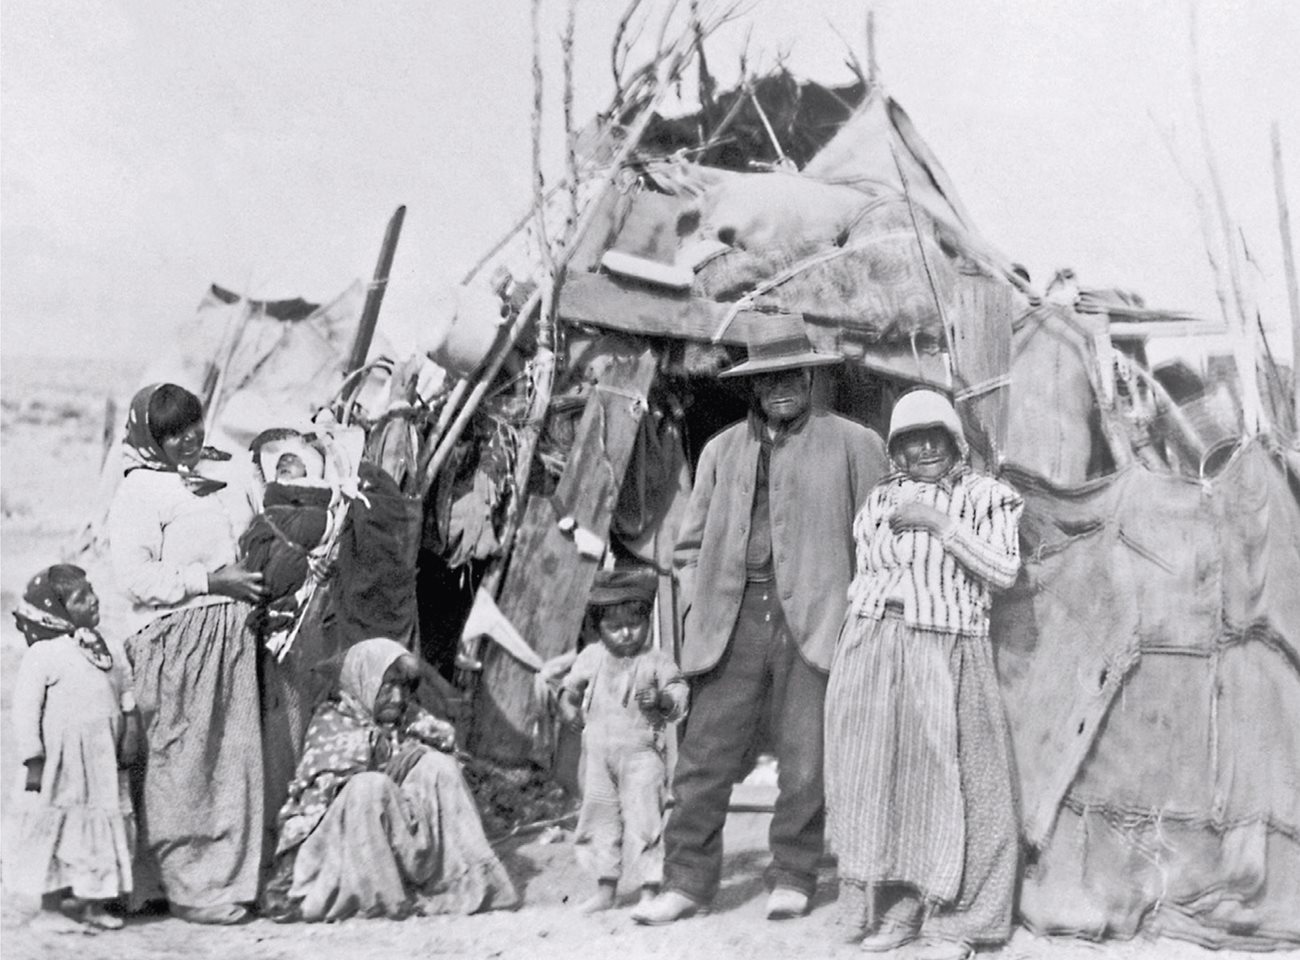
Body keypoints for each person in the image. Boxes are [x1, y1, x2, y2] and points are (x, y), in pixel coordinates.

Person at [634, 318, 888, 925]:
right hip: (733, 618)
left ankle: (793, 874)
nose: (779, 388)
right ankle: (687, 881)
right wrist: (699, 607)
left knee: (805, 761)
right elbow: (689, 545)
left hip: (818, 618)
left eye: (789, 375)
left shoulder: (855, 444)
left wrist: (855, 614)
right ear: (752, 386)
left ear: (808, 376)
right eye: (766, 378)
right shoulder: (722, 450)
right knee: (704, 757)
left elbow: (879, 539)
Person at [825, 389, 1023, 960]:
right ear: (897, 451)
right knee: (885, 785)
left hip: (951, 647)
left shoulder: (988, 497)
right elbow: (867, 573)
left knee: (968, 787)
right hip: (876, 649)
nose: (926, 447)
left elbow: (1004, 571)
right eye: (912, 439)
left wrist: (940, 523)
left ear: (957, 441)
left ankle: (960, 922)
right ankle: (901, 908)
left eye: (936, 435)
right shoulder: (879, 500)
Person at [106, 382, 267, 925]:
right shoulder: (140, 492)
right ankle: (191, 888)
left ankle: (200, 880)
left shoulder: (208, 476)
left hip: (225, 640)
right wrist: (210, 582)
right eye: (172, 432)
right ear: (150, 438)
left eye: (194, 423)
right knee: (181, 766)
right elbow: (131, 577)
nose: (188, 437)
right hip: (175, 644)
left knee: (224, 765)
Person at [263, 637, 519, 922]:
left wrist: (418, 758)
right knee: (369, 787)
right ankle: (378, 896)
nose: (397, 698)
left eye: (404, 687)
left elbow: (449, 755)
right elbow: (320, 803)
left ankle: (457, 881)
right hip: (337, 851)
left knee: (438, 766)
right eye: (387, 686)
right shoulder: (331, 721)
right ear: (363, 683)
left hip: (402, 841)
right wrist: (386, 772)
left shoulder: (411, 719)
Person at [7, 565, 137, 932]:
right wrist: (33, 759)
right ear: (55, 610)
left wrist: (131, 733)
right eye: (81, 598)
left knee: (97, 828)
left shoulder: (107, 645)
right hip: (58, 764)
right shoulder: (44, 654)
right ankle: (49, 909)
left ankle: (92, 903)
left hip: (100, 762)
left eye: (92, 591)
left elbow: (126, 691)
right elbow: (26, 710)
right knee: (55, 827)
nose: (94, 599)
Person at [559, 568, 689, 913]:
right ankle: (605, 889)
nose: (626, 634)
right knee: (599, 818)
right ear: (598, 628)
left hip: (642, 757)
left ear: (647, 620)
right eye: (614, 628)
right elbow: (569, 688)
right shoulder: (592, 657)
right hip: (598, 757)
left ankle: (650, 889)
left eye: (635, 624)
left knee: (645, 820)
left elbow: (678, 693)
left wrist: (662, 701)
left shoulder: (656, 660)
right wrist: (568, 706)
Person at [238, 431, 332, 639]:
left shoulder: (318, 499)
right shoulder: (271, 501)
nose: (284, 463)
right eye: (280, 462)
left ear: (309, 468)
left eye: (292, 459)